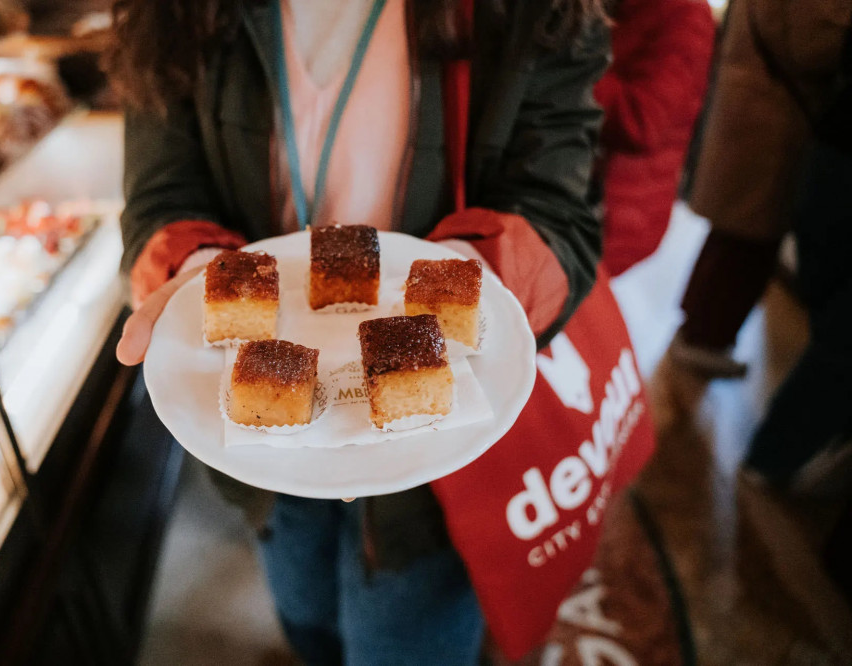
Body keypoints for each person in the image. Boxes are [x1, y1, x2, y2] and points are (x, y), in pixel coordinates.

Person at [109, 0, 609, 662]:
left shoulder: (531, 12)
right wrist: (199, 273)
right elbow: (161, 191)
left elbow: (559, 213)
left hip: (439, 472)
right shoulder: (172, 12)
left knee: (402, 639)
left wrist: (467, 287)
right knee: (305, 616)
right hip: (263, 451)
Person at [656, 0, 852, 400]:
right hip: (773, 120)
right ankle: (705, 338)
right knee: (746, 244)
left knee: (731, 236)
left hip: (754, 104)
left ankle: (696, 328)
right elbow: (809, 46)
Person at [743, 28, 852, 489]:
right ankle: (778, 456)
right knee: (838, 337)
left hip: (837, 147)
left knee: (833, 326)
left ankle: (787, 449)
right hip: (839, 151)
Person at [593, 0, 715, 277]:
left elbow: (643, 121)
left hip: (612, 207)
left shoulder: (686, 13)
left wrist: (566, 73)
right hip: (581, 190)